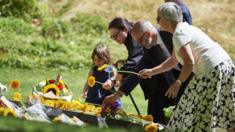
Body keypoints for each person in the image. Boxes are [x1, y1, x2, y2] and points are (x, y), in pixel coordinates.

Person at [139, 2, 235, 131]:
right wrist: (151, 71)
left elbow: (189, 63)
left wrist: (178, 83)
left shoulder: (179, 34)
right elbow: (173, 61)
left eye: (158, 18)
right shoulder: (184, 29)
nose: (157, 22)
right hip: (225, 66)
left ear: (167, 19)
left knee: (188, 112)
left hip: (211, 71)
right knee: (225, 114)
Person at [104, 18, 190, 124]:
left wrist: (179, 82)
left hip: (181, 84)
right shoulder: (146, 46)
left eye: (115, 35)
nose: (140, 44)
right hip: (162, 89)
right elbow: (139, 70)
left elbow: (187, 62)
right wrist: (118, 94)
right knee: (155, 122)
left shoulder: (170, 35)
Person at [82, 43, 122, 109]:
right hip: (93, 96)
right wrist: (85, 91)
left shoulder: (111, 69)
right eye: (95, 60)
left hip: (107, 96)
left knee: (107, 112)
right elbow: (88, 82)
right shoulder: (93, 69)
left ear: (106, 58)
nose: (97, 62)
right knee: (92, 111)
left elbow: (118, 82)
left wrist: (112, 84)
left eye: (100, 60)